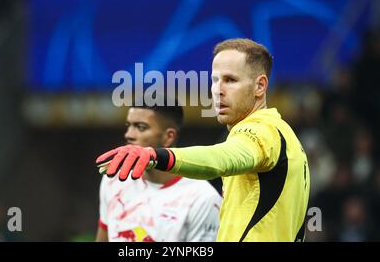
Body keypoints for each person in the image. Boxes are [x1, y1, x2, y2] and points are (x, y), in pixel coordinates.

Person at [97, 38, 310, 242]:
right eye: (215, 80)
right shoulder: (285, 136)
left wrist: (156, 155)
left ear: (260, 86)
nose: (218, 90)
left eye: (230, 80)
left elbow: (222, 158)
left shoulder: (262, 131)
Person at [95, 97, 221, 242]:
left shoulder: (203, 198)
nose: (128, 134)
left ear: (169, 137)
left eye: (140, 127)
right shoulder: (114, 178)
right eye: (128, 125)